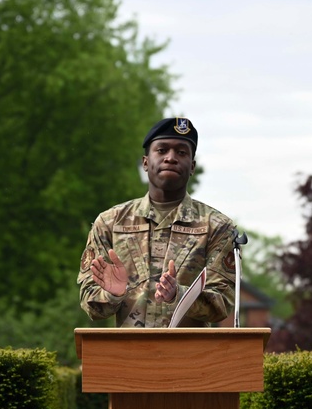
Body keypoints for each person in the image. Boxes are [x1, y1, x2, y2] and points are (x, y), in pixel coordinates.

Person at [77, 117, 238, 327]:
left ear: (192, 167)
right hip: (127, 354)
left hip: (191, 355)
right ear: (145, 162)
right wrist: (112, 294)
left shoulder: (217, 226)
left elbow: (223, 303)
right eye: (162, 150)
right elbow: (89, 302)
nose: (171, 158)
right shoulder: (110, 222)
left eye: (181, 152)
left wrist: (178, 294)